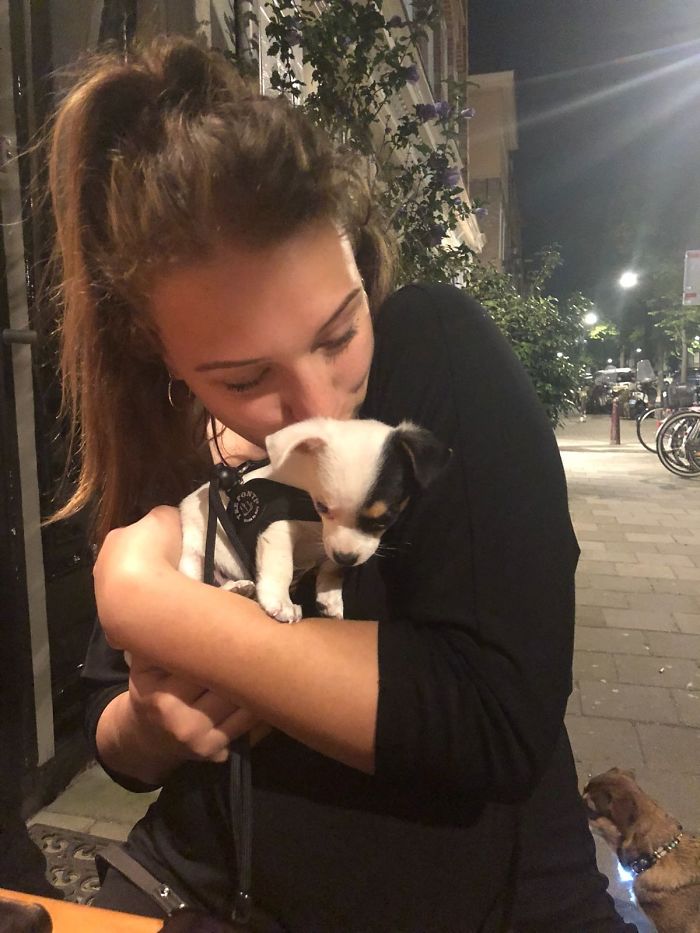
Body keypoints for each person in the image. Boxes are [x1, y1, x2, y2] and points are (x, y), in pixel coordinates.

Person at [46, 37, 637, 932]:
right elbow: (114, 731)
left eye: (338, 332)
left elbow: (496, 717)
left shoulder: (436, 355)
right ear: (161, 357)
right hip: (199, 893)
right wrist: (150, 725)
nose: (318, 408)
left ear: (358, 260)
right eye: (244, 380)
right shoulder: (167, 440)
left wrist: (156, 604)